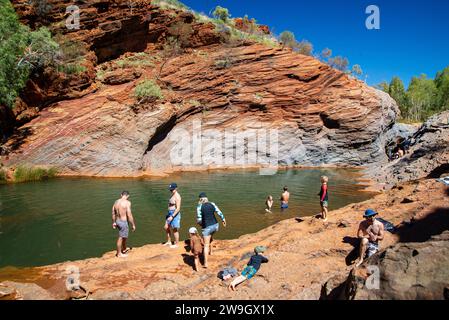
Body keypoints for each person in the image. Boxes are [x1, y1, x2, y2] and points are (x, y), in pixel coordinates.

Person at [196, 192, 226, 268]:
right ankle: (211, 252)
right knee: (211, 237)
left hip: (207, 227)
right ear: (206, 198)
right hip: (216, 226)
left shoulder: (199, 207)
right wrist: (223, 220)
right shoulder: (212, 204)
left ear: (200, 199)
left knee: (205, 245)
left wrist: (199, 223)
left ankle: (205, 263)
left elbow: (199, 220)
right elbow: (219, 212)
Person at [112, 191, 136, 258]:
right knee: (121, 237)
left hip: (118, 221)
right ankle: (119, 254)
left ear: (121, 195)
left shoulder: (116, 202)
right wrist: (133, 224)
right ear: (128, 196)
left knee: (124, 236)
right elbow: (129, 214)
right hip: (123, 221)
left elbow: (113, 213)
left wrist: (114, 222)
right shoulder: (127, 203)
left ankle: (124, 249)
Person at [164, 183, 182, 249]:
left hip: (174, 214)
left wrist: (172, 216)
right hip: (169, 213)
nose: (171, 191)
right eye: (170, 189)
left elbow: (178, 208)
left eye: (172, 189)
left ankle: (177, 244)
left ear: (176, 188)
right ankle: (169, 241)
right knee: (166, 227)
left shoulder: (177, 196)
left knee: (175, 229)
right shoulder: (173, 195)